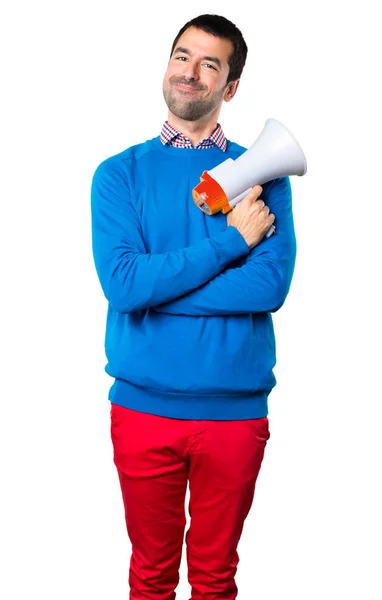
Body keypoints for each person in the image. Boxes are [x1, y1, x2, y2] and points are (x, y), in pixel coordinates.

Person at [91, 13, 296, 600]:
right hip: (142, 413)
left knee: (214, 579)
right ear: (167, 65)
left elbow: (269, 289)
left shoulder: (266, 175)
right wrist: (230, 243)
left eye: (211, 63)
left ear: (229, 86)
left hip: (234, 415)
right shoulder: (118, 176)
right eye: (183, 55)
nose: (191, 71)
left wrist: (160, 294)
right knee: (150, 577)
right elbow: (125, 286)